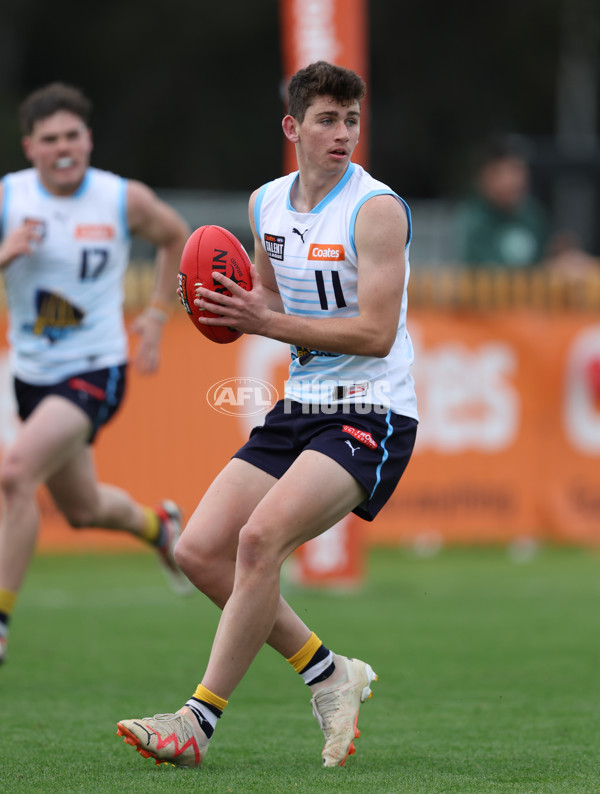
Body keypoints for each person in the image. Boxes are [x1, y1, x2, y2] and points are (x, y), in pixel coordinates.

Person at [117, 61, 419, 769]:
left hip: (369, 414)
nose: (342, 134)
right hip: (300, 407)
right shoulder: (265, 205)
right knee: (196, 550)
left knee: (257, 543)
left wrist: (263, 319)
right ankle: (328, 673)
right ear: (293, 127)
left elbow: (375, 333)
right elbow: (262, 303)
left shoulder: (376, 211)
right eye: (326, 120)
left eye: (351, 120)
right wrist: (220, 305)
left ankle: (197, 721)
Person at [0, 82, 194, 666]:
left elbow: (176, 236)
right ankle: (159, 527)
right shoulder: (9, 197)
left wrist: (158, 315)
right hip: (31, 374)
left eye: (73, 136)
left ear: (88, 139)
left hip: (95, 370)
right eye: (50, 139)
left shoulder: (119, 198)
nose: (64, 148)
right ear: (30, 147)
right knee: (82, 510)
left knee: (14, 473)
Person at [456, 138, 551, 268]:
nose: (510, 181)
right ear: (481, 179)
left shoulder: (533, 214)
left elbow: (546, 255)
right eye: (499, 172)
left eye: (516, 170)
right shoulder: (472, 221)